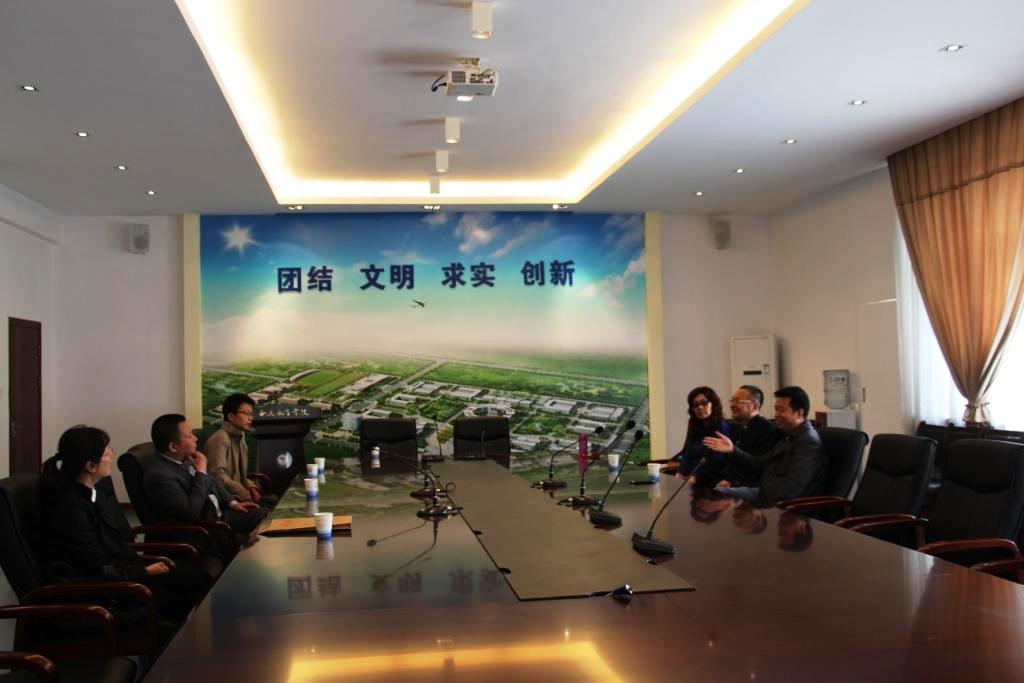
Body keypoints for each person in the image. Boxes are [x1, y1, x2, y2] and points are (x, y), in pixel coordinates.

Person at [35, 426, 210, 623]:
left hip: (118, 577)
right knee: (180, 598)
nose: (112, 454)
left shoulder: (90, 495)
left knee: (198, 579)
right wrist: (143, 572)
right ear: (91, 466)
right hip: (100, 593)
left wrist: (140, 567)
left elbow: (113, 545)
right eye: (107, 452)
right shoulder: (70, 507)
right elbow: (94, 563)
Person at [143, 414, 268, 541]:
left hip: (220, 517)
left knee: (266, 515)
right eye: (190, 435)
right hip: (206, 532)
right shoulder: (160, 477)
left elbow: (213, 481)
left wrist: (232, 503)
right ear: (173, 446)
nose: (195, 438)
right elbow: (191, 513)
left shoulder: (182, 458)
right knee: (261, 536)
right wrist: (201, 472)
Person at [702, 386, 826, 506]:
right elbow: (760, 463)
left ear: (799, 413)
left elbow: (792, 489)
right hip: (764, 493)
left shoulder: (808, 442)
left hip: (782, 505)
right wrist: (733, 450)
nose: (776, 414)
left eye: (781, 410)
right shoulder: (788, 435)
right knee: (717, 494)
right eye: (776, 409)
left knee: (722, 501)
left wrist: (759, 507)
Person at [205, 393, 278, 508]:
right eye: (246, 413)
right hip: (229, 501)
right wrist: (243, 493)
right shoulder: (220, 439)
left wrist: (251, 486)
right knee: (270, 509)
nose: (250, 418)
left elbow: (239, 475)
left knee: (275, 501)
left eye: (251, 414)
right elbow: (217, 476)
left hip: (240, 495)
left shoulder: (240, 436)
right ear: (231, 416)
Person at [715, 385, 780, 487]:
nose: (732, 405)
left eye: (738, 401)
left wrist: (733, 450)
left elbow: (759, 466)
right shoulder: (737, 427)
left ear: (754, 407)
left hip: (753, 485)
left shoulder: (766, 429)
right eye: (732, 401)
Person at [671, 386, 730, 486]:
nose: (700, 407)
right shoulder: (694, 425)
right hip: (690, 475)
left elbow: (717, 462)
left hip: (710, 478)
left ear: (713, 404)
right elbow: (687, 452)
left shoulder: (721, 427)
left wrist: (696, 478)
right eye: (695, 405)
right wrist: (680, 473)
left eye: (704, 403)